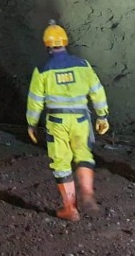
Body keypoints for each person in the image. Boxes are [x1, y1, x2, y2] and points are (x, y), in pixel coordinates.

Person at [26, 22, 110, 222]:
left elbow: (35, 100)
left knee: (61, 163)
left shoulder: (42, 69)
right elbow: (97, 91)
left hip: (57, 121)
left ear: (47, 45)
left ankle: (70, 209)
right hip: (81, 118)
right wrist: (102, 115)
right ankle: (88, 193)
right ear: (65, 42)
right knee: (83, 155)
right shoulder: (83, 65)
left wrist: (31, 123)